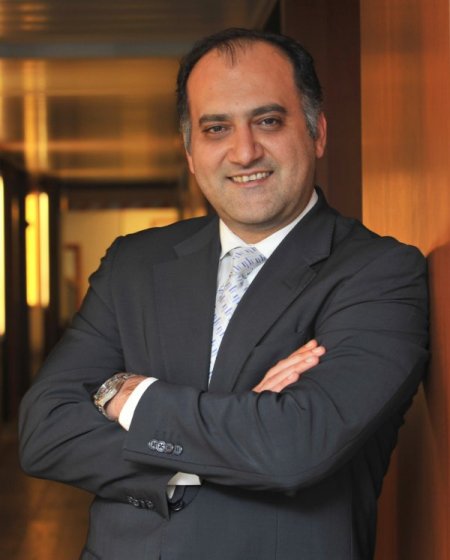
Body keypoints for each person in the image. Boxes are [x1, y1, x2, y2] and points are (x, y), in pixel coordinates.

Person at [19, 28, 429, 560]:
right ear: (191, 152)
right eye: (216, 128)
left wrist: (129, 396)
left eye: (268, 121)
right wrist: (238, 432)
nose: (244, 151)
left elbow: (295, 446)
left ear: (317, 132)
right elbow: (45, 431)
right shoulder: (133, 264)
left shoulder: (379, 272)